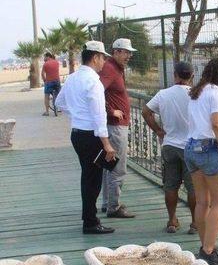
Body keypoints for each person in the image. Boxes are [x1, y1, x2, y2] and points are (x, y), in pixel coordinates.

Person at [55, 41, 116, 234]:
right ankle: (90, 222)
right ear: (96, 57)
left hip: (77, 134)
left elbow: (59, 102)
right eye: (103, 58)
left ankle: (88, 217)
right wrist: (106, 144)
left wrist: (76, 114)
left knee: (87, 176)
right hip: (92, 136)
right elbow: (99, 116)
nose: (104, 62)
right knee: (93, 180)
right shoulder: (93, 82)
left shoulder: (72, 78)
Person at [185, 57, 218, 265]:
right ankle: (208, 250)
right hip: (209, 149)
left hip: (191, 147)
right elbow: (216, 124)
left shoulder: (197, 91)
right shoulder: (217, 92)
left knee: (202, 201)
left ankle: (206, 245)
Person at [142, 62, 198, 234]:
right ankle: (195, 223)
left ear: (175, 75)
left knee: (171, 185)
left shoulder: (163, 94)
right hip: (191, 146)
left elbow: (145, 111)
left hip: (170, 145)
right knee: (193, 187)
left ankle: (172, 220)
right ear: (192, 77)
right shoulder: (196, 95)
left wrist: (158, 130)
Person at [99, 38, 137, 218]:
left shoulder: (115, 68)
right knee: (118, 167)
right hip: (115, 126)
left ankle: (108, 203)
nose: (129, 55)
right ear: (115, 52)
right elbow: (97, 91)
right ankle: (114, 206)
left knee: (110, 165)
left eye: (130, 52)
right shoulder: (110, 68)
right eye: (125, 52)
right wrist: (110, 110)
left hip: (116, 125)